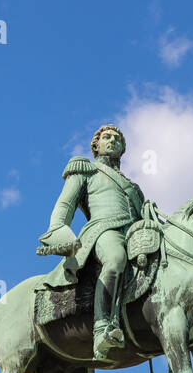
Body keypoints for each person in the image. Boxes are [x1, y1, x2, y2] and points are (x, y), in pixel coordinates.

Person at [37, 124, 147, 358]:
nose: (113, 141)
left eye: (118, 139)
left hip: (135, 232)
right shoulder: (85, 169)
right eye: (107, 137)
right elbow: (64, 206)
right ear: (95, 145)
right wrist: (58, 232)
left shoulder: (134, 188)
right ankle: (102, 328)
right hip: (105, 230)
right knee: (115, 260)